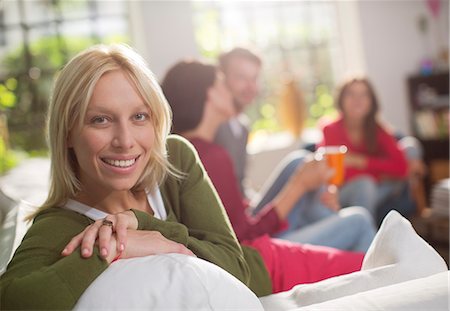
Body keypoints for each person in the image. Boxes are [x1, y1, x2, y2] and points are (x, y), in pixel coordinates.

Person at [0, 44, 254, 309]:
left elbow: (237, 268)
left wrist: (146, 227)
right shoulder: (58, 224)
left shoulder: (175, 159)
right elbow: (11, 302)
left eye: (139, 116)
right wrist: (112, 247)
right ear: (67, 133)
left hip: (269, 267)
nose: (125, 141)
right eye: (101, 120)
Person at [162, 60, 369, 294]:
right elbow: (242, 238)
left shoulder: (186, 149)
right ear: (206, 94)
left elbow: (227, 213)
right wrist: (299, 185)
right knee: (359, 220)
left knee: (298, 161)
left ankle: (325, 212)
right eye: (222, 83)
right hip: (254, 254)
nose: (229, 90)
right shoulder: (210, 155)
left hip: (248, 236)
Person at [319, 77, 409, 220]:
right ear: (341, 99)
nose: (357, 100)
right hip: (342, 191)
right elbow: (333, 175)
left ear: (371, 101)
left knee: (410, 148)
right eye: (351, 94)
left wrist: (360, 162)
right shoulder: (330, 130)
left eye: (363, 94)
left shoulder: (379, 130)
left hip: (373, 188)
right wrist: (379, 172)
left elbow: (402, 168)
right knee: (366, 184)